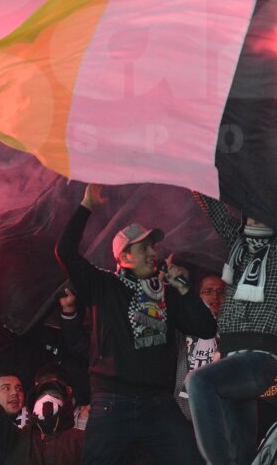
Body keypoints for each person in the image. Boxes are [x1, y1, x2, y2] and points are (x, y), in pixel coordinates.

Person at [55, 183, 216, 465]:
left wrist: (183, 291)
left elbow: (206, 328)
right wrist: (86, 206)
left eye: (153, 246)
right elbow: (65, 251)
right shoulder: (103, 286)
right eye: (144, 248)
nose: (153, 253)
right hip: (113, 402)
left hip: (159, 404)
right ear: (125, 257)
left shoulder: (165, 292)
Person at [187, 192, 277, 465]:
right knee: (242, 454)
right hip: (230, 360)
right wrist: (194, 171)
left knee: (198, 381)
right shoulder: (238, 250)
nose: (255, 215)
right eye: (251, 210)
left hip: (257, 359)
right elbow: (214, 209)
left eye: (263, 211)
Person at [0, 315, 83, 465]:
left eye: (55, 394)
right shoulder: (17, 440)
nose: (48, 399)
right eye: (42, 394)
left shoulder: (81, 441)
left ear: (68, 401)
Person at [175, 273, 225, 421]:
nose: (215, 296)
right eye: (208, 291)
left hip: (219, 412)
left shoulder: (233, 331)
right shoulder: (185, 326)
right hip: (183, 411)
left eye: (221, 291)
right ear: (198, 296)